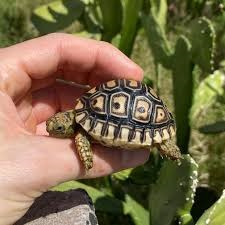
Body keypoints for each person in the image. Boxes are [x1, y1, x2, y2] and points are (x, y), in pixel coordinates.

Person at [0, 33, 149, 225]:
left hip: (140, 120)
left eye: (59, 128)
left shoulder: (81, 131)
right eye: (55, 125)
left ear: (69, 125)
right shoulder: (84, 109)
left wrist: (86, 158)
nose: (52, 129)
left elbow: (82, 138)